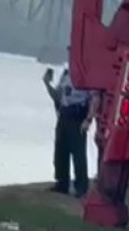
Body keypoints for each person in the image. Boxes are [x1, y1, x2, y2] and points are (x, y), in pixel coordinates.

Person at [43, 65, 90, 197]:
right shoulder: (65, 75)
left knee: (78, 153)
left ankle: (81, 186)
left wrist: (89, 119)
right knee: (60, 150)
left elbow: (94, 99)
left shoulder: (86, 76)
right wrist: (47, 83)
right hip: (64, 115)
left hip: (77, 116)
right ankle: (62, 182)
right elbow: (57, 97)